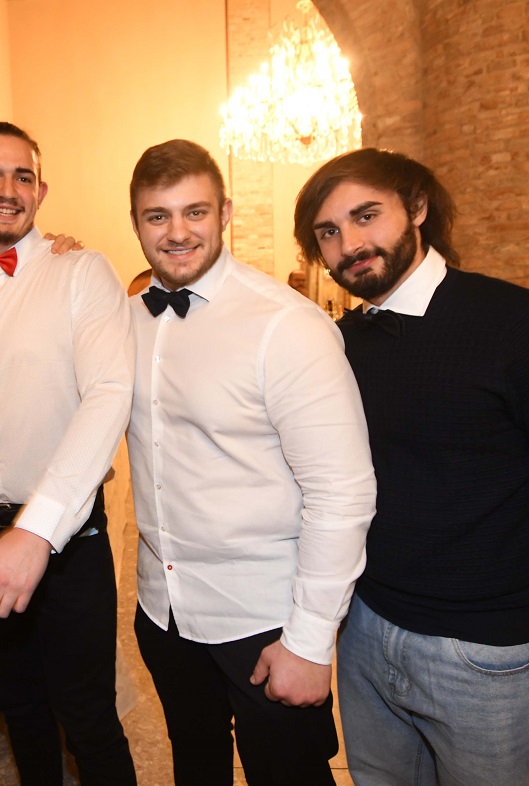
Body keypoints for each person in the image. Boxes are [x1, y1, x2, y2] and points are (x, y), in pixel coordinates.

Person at [292, 148, 529, 786]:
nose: (349, 244)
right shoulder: (338, 345)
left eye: (366, 216)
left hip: (484, 656)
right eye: (328, 231)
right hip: (362, 634)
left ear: (417, 208)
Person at [125, 139, 376, 786]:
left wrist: (310, 640)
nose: (177, 232)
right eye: (158, 216)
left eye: (195, 212)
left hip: (264, 619)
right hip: (164, 611)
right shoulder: (124, 322)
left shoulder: (286, 326)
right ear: (137, 224)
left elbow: (342, 492)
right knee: (196, 766)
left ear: (226, 213)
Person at [0, 120, 137, 786]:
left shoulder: (82, 272)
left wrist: (38, 527)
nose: (7, 189)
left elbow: (109, 394)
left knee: (89, 716)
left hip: (68, 533)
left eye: (23, 176)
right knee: (16, 705)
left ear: (41, 192)